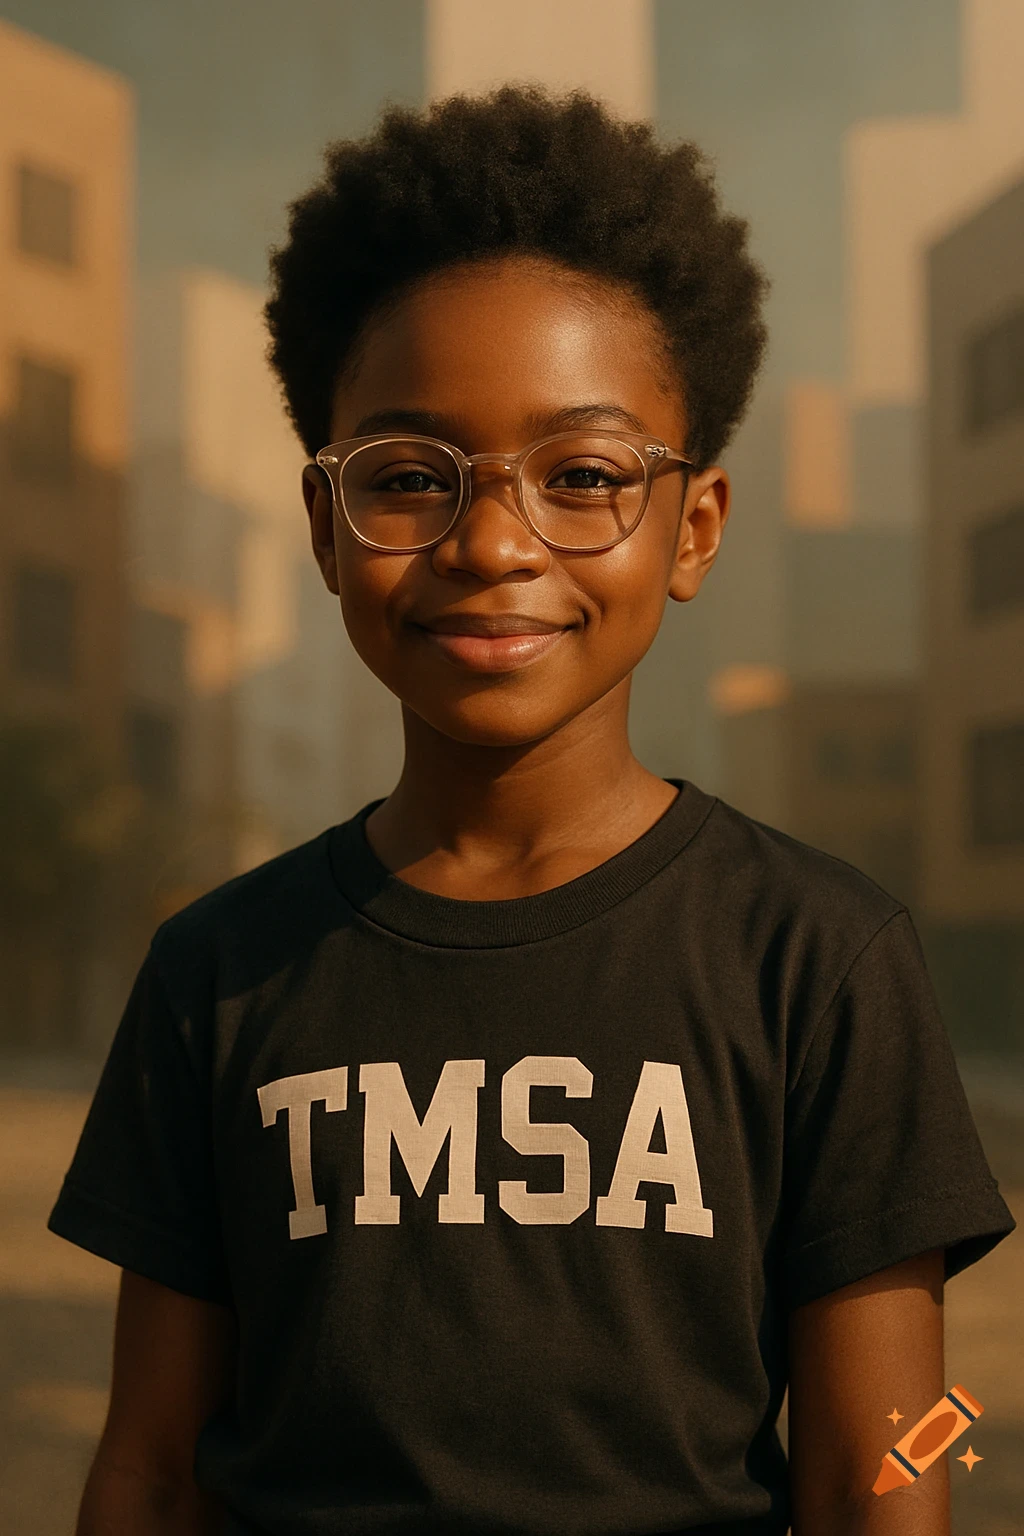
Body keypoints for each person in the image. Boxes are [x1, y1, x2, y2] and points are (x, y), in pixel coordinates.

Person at [51, 86, 1014, 1536]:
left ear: (692, 528)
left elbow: (882, 1463)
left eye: (581, 475)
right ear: (326, 528)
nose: (492, 542)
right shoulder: (217, 974)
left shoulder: (819, 959)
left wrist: (924, 1466)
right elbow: (148, 1462)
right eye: (406, 477)